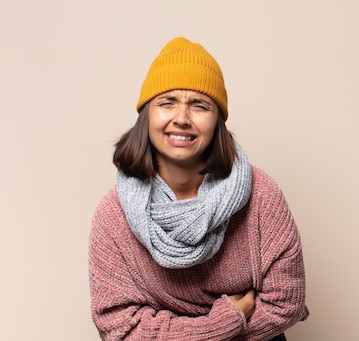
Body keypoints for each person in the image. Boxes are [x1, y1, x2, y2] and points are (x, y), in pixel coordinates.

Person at [88, 37, 309, 341]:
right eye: (167, 103)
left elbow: (286, 303)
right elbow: (120, 327)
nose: (181, 119)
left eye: (199, 105)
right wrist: (220, 325)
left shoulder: (261, 195)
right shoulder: (113, 214)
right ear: (146, 116)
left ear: (217, 120)